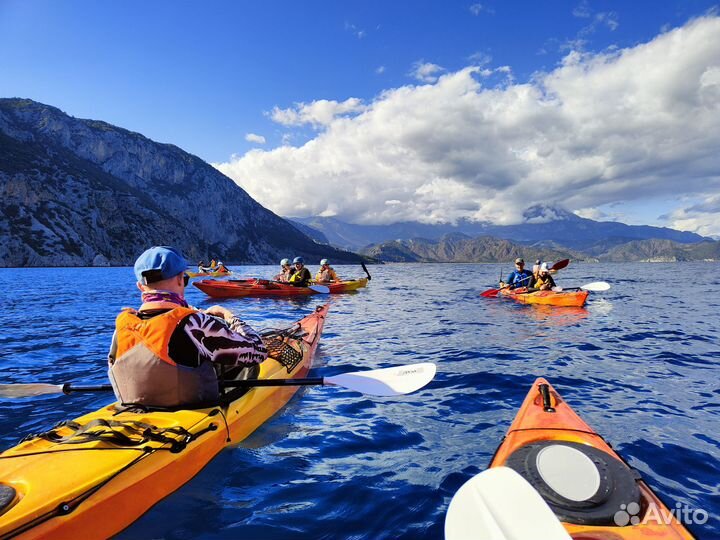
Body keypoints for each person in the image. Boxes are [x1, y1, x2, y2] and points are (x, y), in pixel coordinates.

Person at [107, 246, 268, 408]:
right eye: (184, 279)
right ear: (179, 279)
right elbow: (259, 351)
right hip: (194, 414)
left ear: (140, 287)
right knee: (248, 365)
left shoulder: (121, 327)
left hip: (134, 412)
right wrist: (229, 316)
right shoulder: (195, 322)